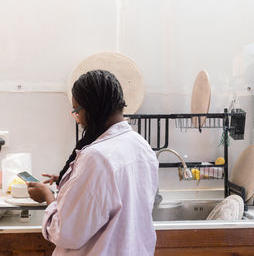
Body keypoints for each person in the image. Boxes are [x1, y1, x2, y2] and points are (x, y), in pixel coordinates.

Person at [27, 70, 159, 256]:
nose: (78, 119)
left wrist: (47, 197)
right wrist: (75, 180)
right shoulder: (141, 146)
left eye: (76, 111)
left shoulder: (97, 157)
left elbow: (67, 232)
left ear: (91, 110)